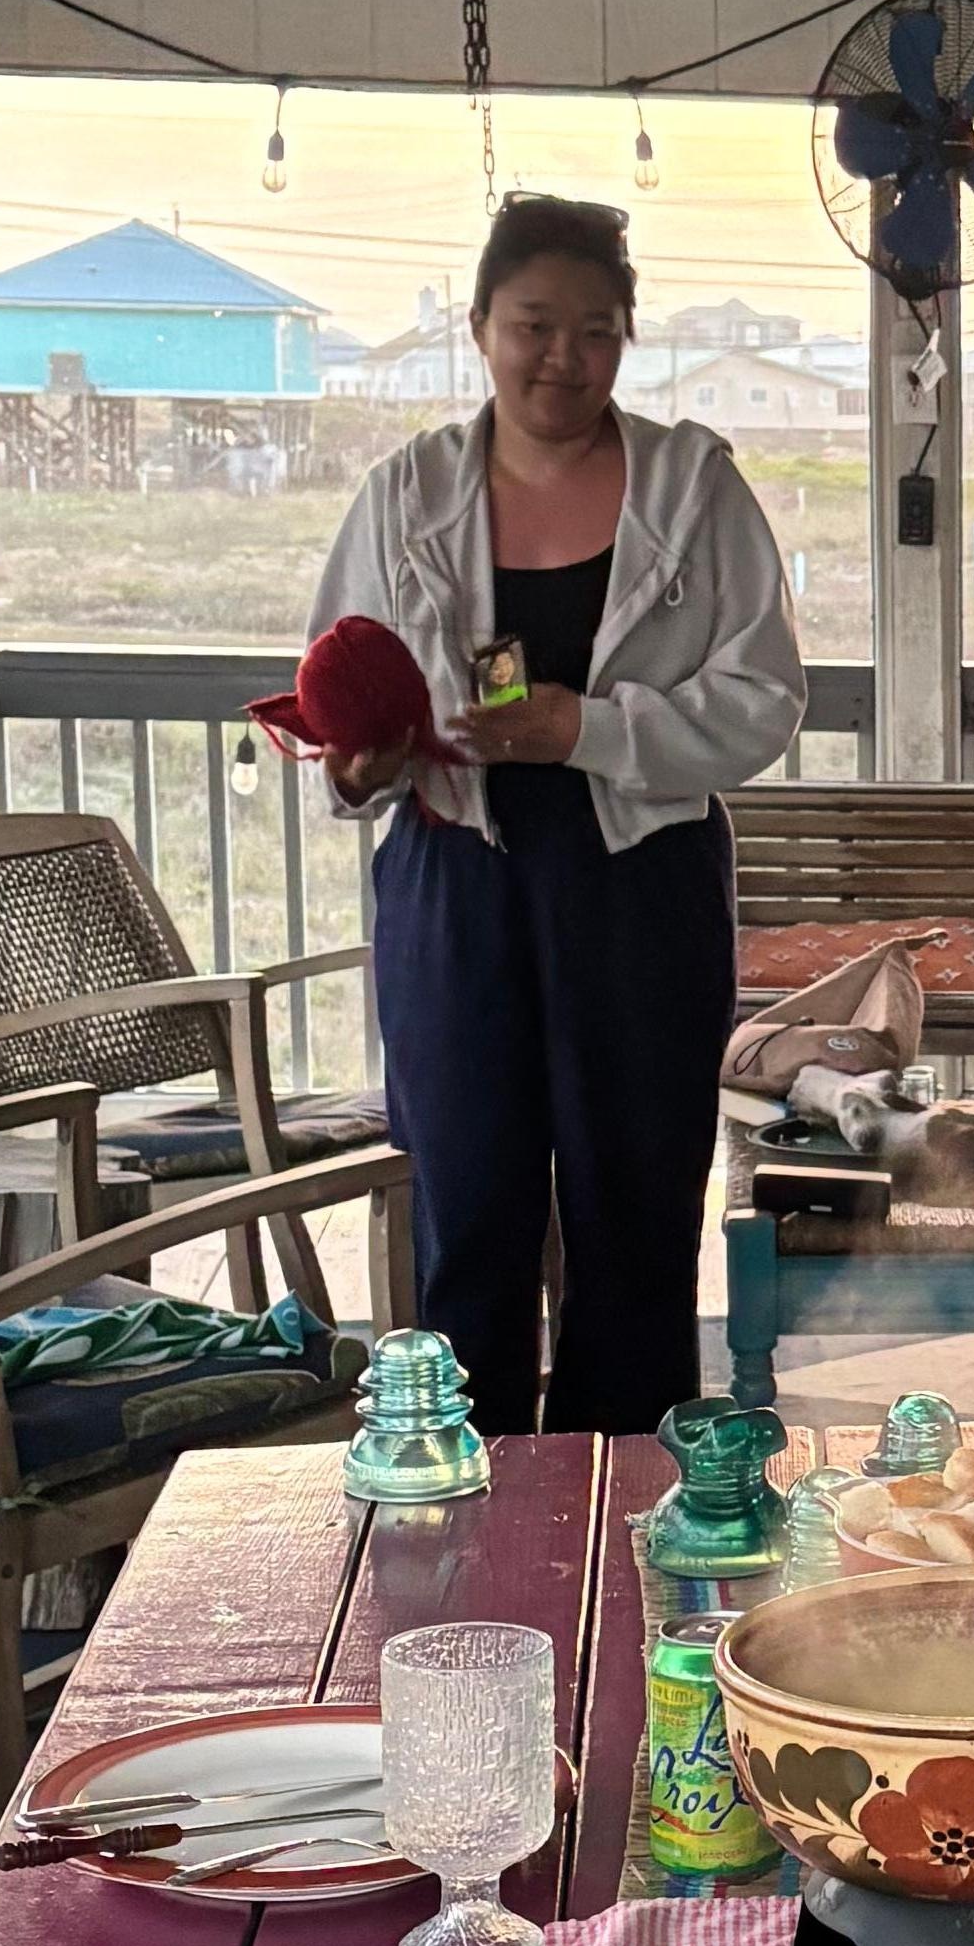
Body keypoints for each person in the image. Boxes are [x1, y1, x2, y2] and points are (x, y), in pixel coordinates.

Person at [307, 194, 803, 1433]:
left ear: (627, 341)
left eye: (594, 330)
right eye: (533, 324)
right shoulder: (405, 492)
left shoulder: (693, 488)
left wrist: (581, 728)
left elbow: (762, 701)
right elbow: (341, 678)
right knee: (468, 1210)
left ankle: (631, 1511)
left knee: (635, 1211)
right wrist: (358, 766)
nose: (560, 358)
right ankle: (463, 1527)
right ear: (478, 327)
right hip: (454, 878)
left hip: (638, 884)